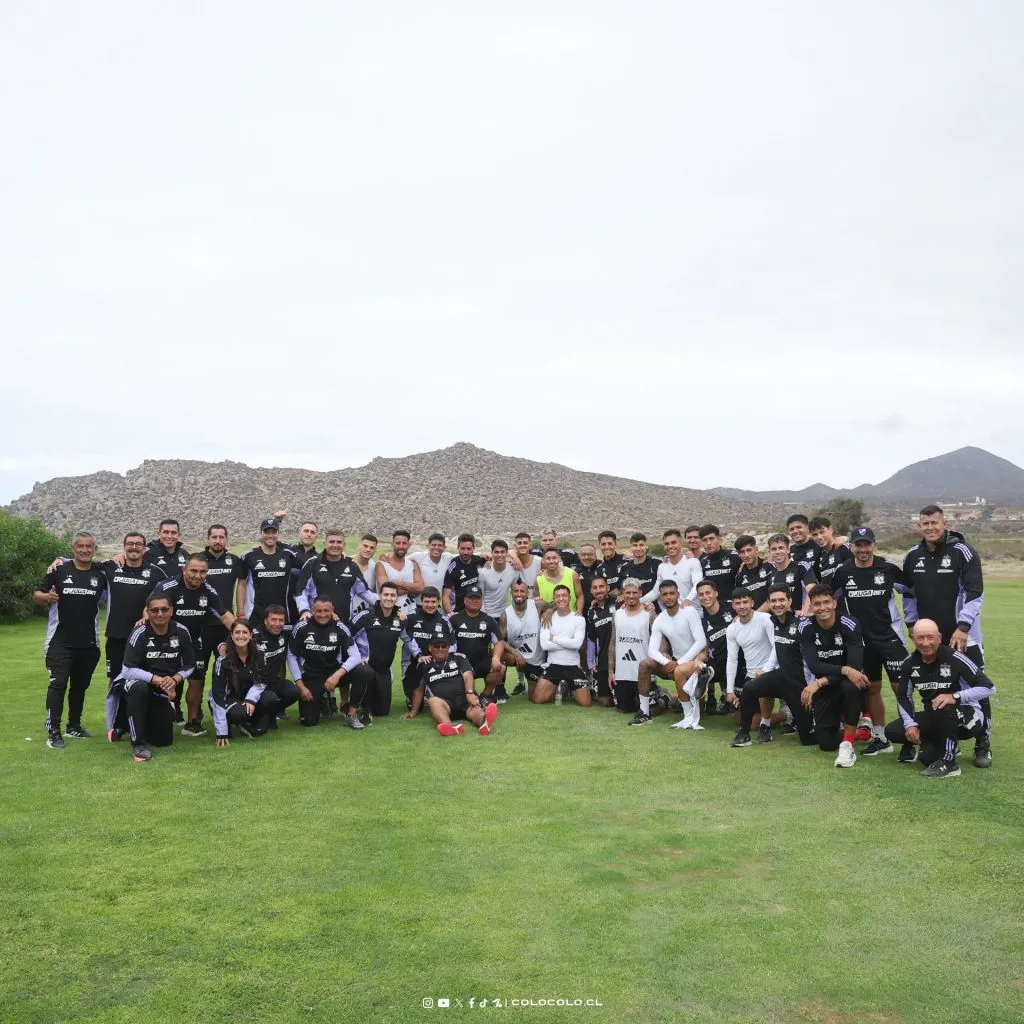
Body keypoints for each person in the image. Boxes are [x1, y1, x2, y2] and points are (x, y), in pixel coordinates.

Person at [902, 504, 990, 768]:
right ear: (920, 526)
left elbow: (975, 593)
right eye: (925, 523)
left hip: (962, 636)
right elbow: (908, 593)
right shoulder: (912, 555)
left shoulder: (962, 551)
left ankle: (983, 743)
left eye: (934, 523)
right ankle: (946, 739)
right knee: (938, 688)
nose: (930, 528)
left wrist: (963, 627)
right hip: (930, 639)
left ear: (944, 523)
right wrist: (911, 623)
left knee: (975, 689)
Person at [832, 525, 911, 756]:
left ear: (873, 545)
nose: (863, 549)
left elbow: (912, 590)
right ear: (853, 547)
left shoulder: (887, 568)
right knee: (872, 688)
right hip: (862, 642)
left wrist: (914, 620)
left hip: (890, 638)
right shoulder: (843, 571)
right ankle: (881, 737)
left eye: (867, 544)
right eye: (858, 545)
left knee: (901, 688)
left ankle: (910, 739)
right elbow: (830, 598)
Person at [884, 619, 996, 778]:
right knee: (894, 731)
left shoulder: (955, 658)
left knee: (944, 707)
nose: (925, 643)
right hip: (936, 716)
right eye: (920, 638)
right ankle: (934, 747)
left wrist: (955, 697)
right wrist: (910, 725)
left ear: (939, 637)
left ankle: (950, 763)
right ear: (913, 638)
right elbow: (903, 696)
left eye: (930, 637)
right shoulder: (909, 663)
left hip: (967, 718)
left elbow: (989, 687)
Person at [34, 531, 108, 748]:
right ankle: (53, 732)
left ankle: (73, 726)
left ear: (94, 549)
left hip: (89, 643)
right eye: (80, 546)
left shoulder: (100, 573)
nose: (84, 550)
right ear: (72, 548)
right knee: (58, 685)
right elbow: (37, 594)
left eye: (89, 546)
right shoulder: (59, 569)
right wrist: (47, 597)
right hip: (59, 641)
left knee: (79, 687)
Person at [153, 553, 235, 734]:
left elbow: (225, 615)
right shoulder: (167, 587)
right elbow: (150, 610)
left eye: (202, 572)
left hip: (194, 645)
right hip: (166, 645)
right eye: (194, 571)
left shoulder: (208, 591)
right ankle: (161, 719)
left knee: (197, 681)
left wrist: (242, 632)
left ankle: (192, 723)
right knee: (165, 682)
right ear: (184, 569)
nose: (198, 576)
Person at [109, 592, 195, 762]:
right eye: (155, 610)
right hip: (136, 684)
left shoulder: (182, 632)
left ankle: (128, 723)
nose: (160, 614)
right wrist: (159, 680)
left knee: (164, 741)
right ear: (147, 612)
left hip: (162, 689)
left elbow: (190, 665)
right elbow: (127, 669)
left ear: (172, 611)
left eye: (164, 609)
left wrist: (175, 679)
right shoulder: (139, 633)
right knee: (138, 688)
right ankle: (137, 744)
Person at [730, 585, 815, 748]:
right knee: (750, 688)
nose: (778, 604)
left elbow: (813, 660)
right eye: (773, 601)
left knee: (808, 739)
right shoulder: (772, 621)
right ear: (768, 603)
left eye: (782, 600)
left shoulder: (802, 623)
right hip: (782, 677)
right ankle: (744, 734)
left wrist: (812, 686)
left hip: (801, 686)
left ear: (790, 601)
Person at [798, 584, 869, 767]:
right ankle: (863, 732)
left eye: (826, 602)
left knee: (850, 685)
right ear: (811, 607)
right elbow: (814, 665)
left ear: (835, 603)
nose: (822, 608)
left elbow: (855, 668)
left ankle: (848, 745)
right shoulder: (806, 627)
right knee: (826, 743)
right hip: (828, 685)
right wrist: (841, 671)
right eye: (817, 604)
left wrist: (820, 682)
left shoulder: (849, 624)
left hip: (849, 684)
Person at [287, 596, 375, 729]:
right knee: (308, 722)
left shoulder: (340, 626)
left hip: (334, 673)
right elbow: (291, 655)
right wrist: (300, 685)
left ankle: (351, 714)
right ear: (312, 610)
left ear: (332, 610)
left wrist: (337, 675)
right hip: (312, 676)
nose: (322, 614)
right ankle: (322, 699)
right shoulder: (302, 626)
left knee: (365, 671)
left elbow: (356, 655)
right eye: (319, 611)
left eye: (326, 611)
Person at [401, 636, 500, 736]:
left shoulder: (459, 657)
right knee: (433, 701)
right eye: (437, 646)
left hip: (465, 700)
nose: (440, 649)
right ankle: (449, 726)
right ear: (430, 648)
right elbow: (419, 690)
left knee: (475, 711)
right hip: (444, 704)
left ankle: (484, 722)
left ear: (448, 647)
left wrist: (470, 693)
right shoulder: (423, 664)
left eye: (444, 646)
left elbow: (468, 675)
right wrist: (414, 711)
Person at [643, 580, 708, 729]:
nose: (668, 597)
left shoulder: (689, 612)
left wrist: (679, 663)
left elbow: (700, 642)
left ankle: (691, 712)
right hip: (678, 665)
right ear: (660, 597)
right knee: (650, 664)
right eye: (664, 594)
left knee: (679, 671)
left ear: (678, 594)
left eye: (672, 593)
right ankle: (687, 717)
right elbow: (651, 650)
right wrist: (667, 662)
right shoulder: (660, 620)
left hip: (699, 659)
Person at [196, 524, 246, 707]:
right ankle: (193, 715)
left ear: (226, 539)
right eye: (214, 537)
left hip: (226, 626)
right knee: (196, 673)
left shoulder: (234, 560)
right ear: (208, 539)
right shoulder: (198, 561)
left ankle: (229, 707)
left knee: (228, 670)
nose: (218, 541)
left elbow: (242, 585)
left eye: (221, 537)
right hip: (200, 625)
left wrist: (240, 613)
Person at [349, 582, 414, 721]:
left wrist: (420, 655)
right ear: (379, 596)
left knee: (382, 711)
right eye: (386, 594)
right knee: (365, 675)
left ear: (396, 598)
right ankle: (358, 706)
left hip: (384, 670)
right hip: (365, 666)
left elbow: (409, 640)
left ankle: (368, 704)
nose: (389, 598)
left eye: (392, 595)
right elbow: (347, 637)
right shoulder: (366, 615)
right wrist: (357, 657)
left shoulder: (400, 617)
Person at [211, 619, 281, 744]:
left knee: (271, 698)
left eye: (245, 632)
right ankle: (232, 721)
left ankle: (249, 722)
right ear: (231, 636)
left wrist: (250, 699)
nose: (241, 636)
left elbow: (262, 681)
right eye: (237, 632)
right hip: (228, 699)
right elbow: (218, 696)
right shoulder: (222, 661)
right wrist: (221, 732)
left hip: (246, 696)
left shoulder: (259, 655)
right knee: (240, 714)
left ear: (250, 635)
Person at [722, 588, 777, 729]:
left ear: (752, 602)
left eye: (745, 602)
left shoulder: (765, 619)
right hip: (751, 676)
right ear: (733, 606)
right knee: (742, 721)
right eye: (738, 603)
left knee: (754, 722)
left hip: (773, 672)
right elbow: (732, 659)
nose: (741, 606)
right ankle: (781, 716)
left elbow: (776, 646)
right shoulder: (732, 628)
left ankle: (778, 718)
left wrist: (766, 670)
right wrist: (729, 690)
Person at [294, 529, 376, 624]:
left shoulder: (351, 565)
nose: (335, 545)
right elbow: (301, 591)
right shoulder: (313, 563)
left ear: (344, 545)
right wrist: (304, 610)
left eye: (339, 542)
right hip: (317, 622)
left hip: (343, 623)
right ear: (325, 544)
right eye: (332, 542)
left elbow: (364, 591)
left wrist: (384, 604)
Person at [238, 517, 302, 627]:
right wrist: (240, 613)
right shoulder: (249, 556)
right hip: (256, 614)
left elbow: (308, 566)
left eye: (274, 532)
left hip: (281, 615)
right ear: (261, 533)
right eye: (267, 532)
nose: (270, 535)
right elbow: (242, 584)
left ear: (278, 534)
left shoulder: (287, 555)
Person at [534, 585, 590, 705]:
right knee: (538, 699)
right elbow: (544, 645)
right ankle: (559, 685)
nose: (561, 599)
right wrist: (569, 642)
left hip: (573, 665)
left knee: (586, 703)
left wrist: (554, 638)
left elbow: (578, 644)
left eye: (564, 596)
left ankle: (566, 686)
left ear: (570, 598)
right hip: (553, 665)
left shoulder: (579, 619)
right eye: (558, 596)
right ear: (554, 599)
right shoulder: (546, 618)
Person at [449, 586, 506, 701]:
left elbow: (499, 642)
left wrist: (495, 658)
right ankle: (470, 694)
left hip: (482, 662)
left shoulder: (489, 620)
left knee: (501, 668)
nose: (474, 601)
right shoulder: (454, 619)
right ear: (465, 600)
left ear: (481, 600)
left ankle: (486, 695)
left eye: (477, 598)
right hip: (462, 664)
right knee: (468, 697)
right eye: (471, 598)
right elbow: (447, 643)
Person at [402, 587, 453, 708]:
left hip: (436, 663)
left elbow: (453, 644)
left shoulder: (444, 621)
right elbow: (407, 639)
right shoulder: (411, 618)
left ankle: (433, 693)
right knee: (415, 707)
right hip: (413, 662)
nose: (430, 605)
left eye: (433, 602)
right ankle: (416, 694)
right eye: (426, 601)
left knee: (443, 700)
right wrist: (419, 655)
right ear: (421, 601)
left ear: (438, 602)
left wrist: (441, 658)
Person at [251, 604, 300, 724]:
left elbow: (305, 626)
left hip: (274, 680)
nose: (277, 624)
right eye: (273, 619)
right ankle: (255, 716)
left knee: (294, 692)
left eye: (281, 620)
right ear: (265, 621)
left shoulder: (287, 630)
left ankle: (271, 713)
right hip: (256, 683)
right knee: (270, 698)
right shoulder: (254, 636)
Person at [608, 580, 651, 715]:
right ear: (622, 594)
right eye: (628, 593)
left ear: (640, 593)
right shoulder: (617, 614)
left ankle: (665, 695)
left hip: (642, 672)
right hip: (623, 673)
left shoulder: (649, 613)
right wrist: (611, 671)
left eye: (634, 593)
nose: (631, 596)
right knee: (624, 709)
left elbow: (658, 640)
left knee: (651, 709)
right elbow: (613, 642)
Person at [694, 578, 735, 714]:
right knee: (697, 668)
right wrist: (698, 659)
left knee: (740, 718)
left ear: (716, 593)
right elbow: (703, 646)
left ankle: (728, 697)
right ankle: (706, 699)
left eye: (708, 593)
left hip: (739, 661)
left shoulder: (732, 607)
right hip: (718, 662)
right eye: (701, 594)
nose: (705, 597)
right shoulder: (700, 620)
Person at [500, 579, 545, 698]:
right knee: (499, 655)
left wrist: (549, 611)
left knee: (536, 696)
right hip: (520, 660)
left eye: (522, 591)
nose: (519, 594)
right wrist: (515, 653)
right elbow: (500, 642)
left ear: (527, 593)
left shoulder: (537, 605)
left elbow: (555, 605)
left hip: (539, 660)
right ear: (511, 593)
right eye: (515, 591)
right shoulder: (505, 615)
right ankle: (499, 691)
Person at [641, 529, 702, 608]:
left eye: (673, 542)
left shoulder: (693, 562)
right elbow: (656, 592)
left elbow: (698, 584)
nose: (670, 546)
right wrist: (638, 601)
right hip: (672, 615)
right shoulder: (662, 566)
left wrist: (687, 600)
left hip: (693, 613)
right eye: (667, 544)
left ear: (681, 543)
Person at [376, 530, 423, 617]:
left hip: (410, 611)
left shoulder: (413, 564)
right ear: (392, 544)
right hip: (389, 612)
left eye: (404, 543)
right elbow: (385, 590)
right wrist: (411, 589)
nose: (401, 546)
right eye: (398, 543)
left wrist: (400, 583)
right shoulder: (382, 564)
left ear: (409, 545)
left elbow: (420, 587)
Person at [584, 575, 616, 707]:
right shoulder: (591, 612)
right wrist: (590, 663)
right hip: (603, 659)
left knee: (626, 698)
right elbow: (591, 639)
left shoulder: (618, 603)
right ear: (591, 591)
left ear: (608, 588)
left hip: (620, 657)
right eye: (595, 588)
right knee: (604, 702)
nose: (599, 590)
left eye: (601, 586)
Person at [766, 533, 816, 615]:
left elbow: (811, 589)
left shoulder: (801, 566)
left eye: (781, 548)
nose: (777, 552)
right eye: (774, 549)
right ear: (770, 552)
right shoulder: (771, 574)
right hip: (780, 622)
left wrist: (804, 612)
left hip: (799, 618)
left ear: (788, 549)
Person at [443, 534, 487, 613]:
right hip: (458, 610)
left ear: (473, 548)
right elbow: (445, 596)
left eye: (468, 549)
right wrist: (451, 616)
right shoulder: (453, 567)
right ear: (458, 548)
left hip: (476, 609)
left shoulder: (479, 560)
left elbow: (497, 558)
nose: (465, 552)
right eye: (462, 549)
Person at [698, 525, 741, 604]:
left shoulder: (735, 556)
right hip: (713, 609)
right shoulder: (702, 562)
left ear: (719, 539)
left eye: (711, 538)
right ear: (701, 543)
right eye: (704, 540)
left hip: (734, 607)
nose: (708, 543)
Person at [535, 548, 584, 612]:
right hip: (549, 620)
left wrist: (579, 611)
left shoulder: (572, 574)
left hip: (571, 618)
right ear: (543, 560)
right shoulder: (539, 579)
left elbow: (580, 596)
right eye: (548, 558)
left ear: (559, 559)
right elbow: (539, 601)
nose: (551, 561)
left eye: (554, 558)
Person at [478, 539, 517, 618]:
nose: (500, 555)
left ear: (506, 553)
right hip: (487, 614)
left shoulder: (513, 570)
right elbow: (480, 597)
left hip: (505, 614)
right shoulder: (484, 572)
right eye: (496, 552)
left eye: (502, 552)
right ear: (492, 553)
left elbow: (514, 592)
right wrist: (483, 616)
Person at [733, 535, 775, 609]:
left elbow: (775, 594)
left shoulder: (770, 567)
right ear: (738, 555)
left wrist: (757, 615)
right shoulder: (739, 578)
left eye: (749, 550)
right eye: (742, 552)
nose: (746, 555)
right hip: (752, 618)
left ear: (756, 549)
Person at [809, 516, 852, 586]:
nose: (819, 537)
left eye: (822, 532)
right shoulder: (817, 559)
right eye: (815, 535)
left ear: (830, 530)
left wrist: (846, 538)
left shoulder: (844, 548)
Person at [410, 533, 453, 603]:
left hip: (435, 604)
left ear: (444, 548)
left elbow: (463, 556)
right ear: (428, 546)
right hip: (418, 604)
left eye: (440, 545)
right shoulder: (418, 556)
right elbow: (401, 559)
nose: (436, 548)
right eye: (433, 545)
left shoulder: (448, 558)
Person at [621, 533, 661, 599]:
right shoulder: (625, 568)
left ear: (646, 546)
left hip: (655, 607)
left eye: (641, 545)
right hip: (634, 607)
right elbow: (624, 592)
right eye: (635, 545)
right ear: (631, 547)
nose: (638, 548)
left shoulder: (657, 563)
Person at [595, 530, 626, 598]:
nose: (607, 547)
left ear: (615, 545)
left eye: (610, 543)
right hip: (609, 605)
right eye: (603, 544)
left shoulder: (626, 561)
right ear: (599, 546)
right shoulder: (599, 569)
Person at [574, 543, 601, 613]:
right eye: (583, 555)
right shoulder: (574, 572)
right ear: (579, 556)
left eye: (590, 554)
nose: (586, 557)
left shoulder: (602, 567)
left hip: (602, 611)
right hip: (581, 612)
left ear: (595, 555)